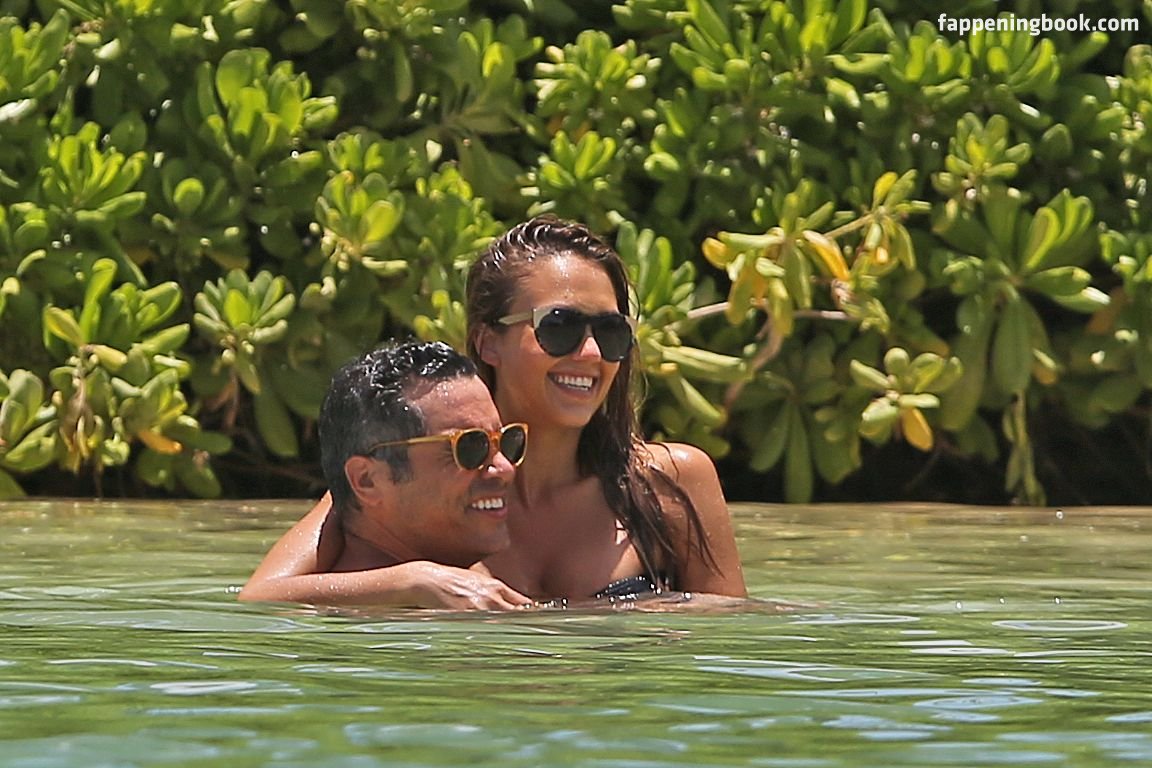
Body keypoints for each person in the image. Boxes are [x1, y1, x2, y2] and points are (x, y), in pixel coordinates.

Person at [241, 215, 746, 605]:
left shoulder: (670, 482)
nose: (591, 353)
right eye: (560, 327)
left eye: (612, 332)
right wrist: (411, 581)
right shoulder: (426, 477)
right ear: (488, 341)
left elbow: (729, 636)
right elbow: (262, 600)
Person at [238, 340, 533, 609]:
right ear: (367, 480)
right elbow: (259, 601)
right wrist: (412, 581)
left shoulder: (447, 567)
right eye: (469, 447)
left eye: (507, 441)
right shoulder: (405, 623)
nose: (505, 468)